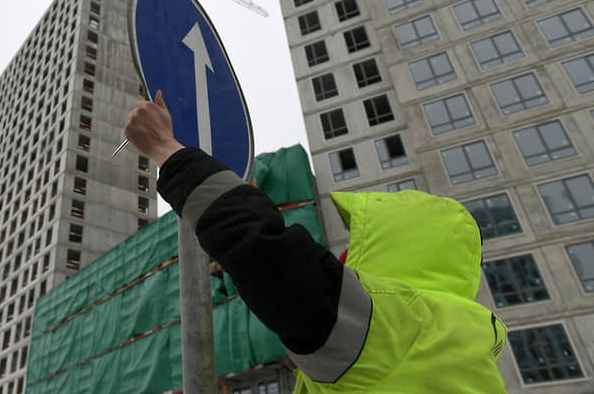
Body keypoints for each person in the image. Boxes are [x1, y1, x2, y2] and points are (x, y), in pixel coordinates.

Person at [124, 91, 508, 393]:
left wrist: (166, 149)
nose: (341, 260)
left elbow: (271, 258)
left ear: (400, 250)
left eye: (355, 249)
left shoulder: (393, 331)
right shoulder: (452, 347)